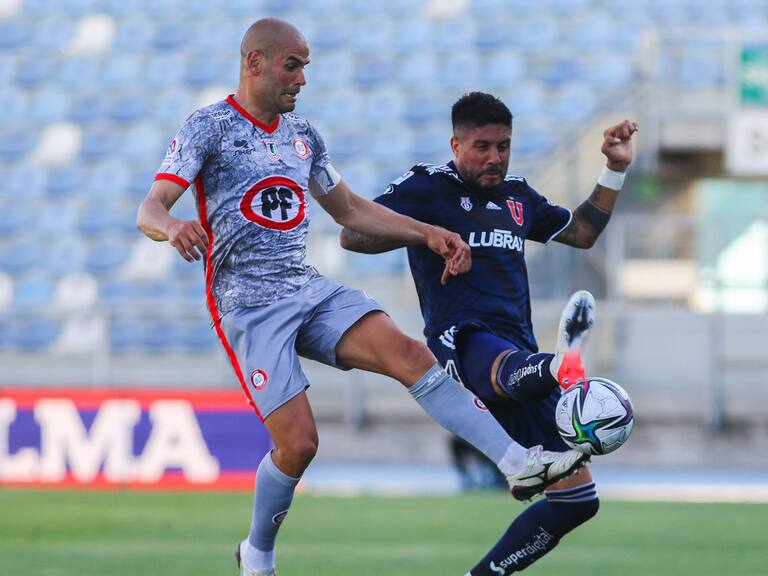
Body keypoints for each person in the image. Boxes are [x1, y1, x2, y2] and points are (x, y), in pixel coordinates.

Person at [136, 22, 588, 576]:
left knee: (410, 355)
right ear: (254, 63)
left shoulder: (304, 134)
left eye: (305, 65)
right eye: (292, 65)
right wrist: (173, 226)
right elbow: (150, 207)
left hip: (308, 287)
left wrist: (426, 232)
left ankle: (516, 463)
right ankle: (256, 552)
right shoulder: (208, 127)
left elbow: (349, 210)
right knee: (299, 446)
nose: (302, 78)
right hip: (249, 308)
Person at [340, 91, 638, 575]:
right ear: (455, 145)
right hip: (460, 340)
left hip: (522, 357)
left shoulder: (517, 196)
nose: (494, 158)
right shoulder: (427, 187)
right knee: (495, 362)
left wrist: (615, 169)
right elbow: (353, 235)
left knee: (578, 500)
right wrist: (426, 233)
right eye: (482, 146)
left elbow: (582, 232)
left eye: (503, 146)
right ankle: (563, 366)